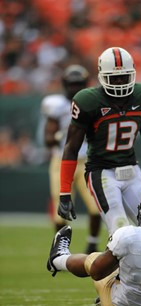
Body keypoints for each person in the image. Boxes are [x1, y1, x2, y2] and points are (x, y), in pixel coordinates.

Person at [57, 47, 141, 236]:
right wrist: (64, 192)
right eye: (114, 78)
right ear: (102, 76)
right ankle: (66, 260)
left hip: (132, 171)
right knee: (121, 231)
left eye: (124, 77)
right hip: (102, 173)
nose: (119, 82)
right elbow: (71, 148)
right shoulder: (88, 101)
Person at [40, 65, 101, 254]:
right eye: (72, 84)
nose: (75, 88)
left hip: (85, 162)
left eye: (79, 84)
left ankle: (92, 243)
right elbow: (48, 139)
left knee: (96, 207)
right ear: (65, 85)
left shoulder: (91, 103)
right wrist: (62, 135)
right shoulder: (56, 104)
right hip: (62, 161)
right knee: (61, 211)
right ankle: (59, 249)